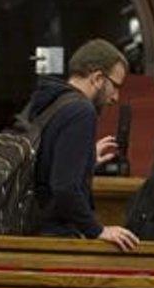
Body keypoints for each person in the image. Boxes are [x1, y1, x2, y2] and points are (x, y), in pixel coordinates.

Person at [32, 38, 140, 251]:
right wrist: (97, 230)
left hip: (31, 229)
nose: (116, 97)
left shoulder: (49, 100)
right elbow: (64, 187)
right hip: (54, 239)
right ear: (98, 78)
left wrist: (85, 160)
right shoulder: (81, 111)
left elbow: (43, 169)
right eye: (115, 86)